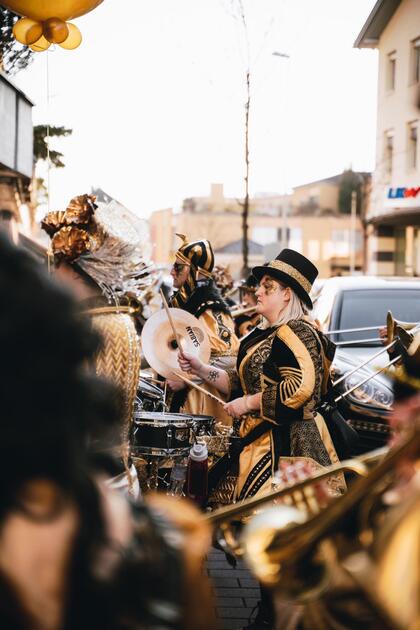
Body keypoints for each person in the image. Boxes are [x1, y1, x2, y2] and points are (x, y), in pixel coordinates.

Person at [0, 232, 215, 630]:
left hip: (101, 473)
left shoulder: (110, 324)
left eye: (62, 264)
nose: (55, 272)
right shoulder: (161, 544)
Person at [178, 248, 342, 628]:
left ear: (289, 294)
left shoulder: (299, 332)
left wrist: (249, 403)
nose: (259, 290)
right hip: (259, 444)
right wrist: (202, 368)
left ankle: (279, 615)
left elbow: (303, 390)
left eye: (270, 285)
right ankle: (271, 612)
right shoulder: (263, 332)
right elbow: (235, 381)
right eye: (260, 284)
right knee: (255, 531)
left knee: (277, 533)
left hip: (289, 449)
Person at [41, 193, 160, 498]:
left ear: (80, 275)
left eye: (60, 266)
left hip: (90, 485)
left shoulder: (92, 327)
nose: (54, 274)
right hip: (113, 476)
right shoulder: (116, 320)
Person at [167, 233, 239, 426]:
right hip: (185, 405)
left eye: (178, 267)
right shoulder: (186, 303)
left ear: (195, 271)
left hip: (202, 408)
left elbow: (229, 357)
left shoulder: (210, 308)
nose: (172, 272)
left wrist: (187, 379)